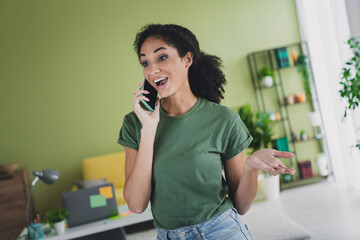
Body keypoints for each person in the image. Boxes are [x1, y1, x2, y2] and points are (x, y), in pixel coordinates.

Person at [118, 24, 296, 240]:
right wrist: (148, 129)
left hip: (222, 232)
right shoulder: (135, 123)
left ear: (187, 59)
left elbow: (241, 205)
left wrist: (250, 167)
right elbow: (136, 205)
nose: (152, 70)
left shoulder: (223, 120)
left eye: (162, 57)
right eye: (145, 62)